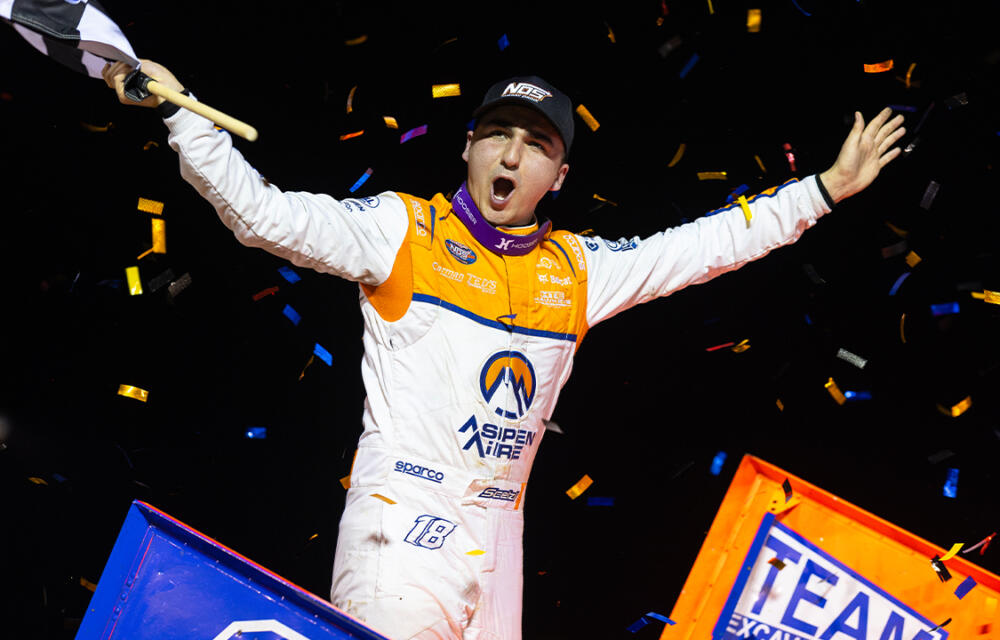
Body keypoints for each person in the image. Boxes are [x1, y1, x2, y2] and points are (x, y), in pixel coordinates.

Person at [103, 59, 905, 640]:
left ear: (558, 173)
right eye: (496, 135)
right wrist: (183, 117)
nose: (511, 155)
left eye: (534, 143)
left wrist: (824, 189)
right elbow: (263, 217)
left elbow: (707, 244)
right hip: (399, 524)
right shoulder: (399, 230)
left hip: (499, 542)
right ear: (468, 147)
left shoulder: (581, 270)